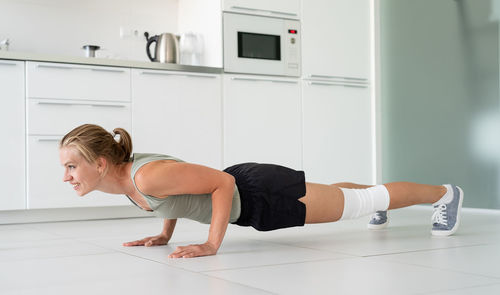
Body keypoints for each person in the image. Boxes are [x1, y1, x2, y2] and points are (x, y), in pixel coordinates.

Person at [59, 124, 464, 258]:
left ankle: (445, 194)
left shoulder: (144, 177)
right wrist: (166, 234)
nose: (67, 176)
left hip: (256, 193)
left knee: (358, 204)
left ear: (101, 164)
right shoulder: (130, 181)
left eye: (71, 166)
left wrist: (211, 244)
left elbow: (222, 183)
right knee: (343, 196)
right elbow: (181, 191)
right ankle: (387, 198)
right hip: (253, 199)